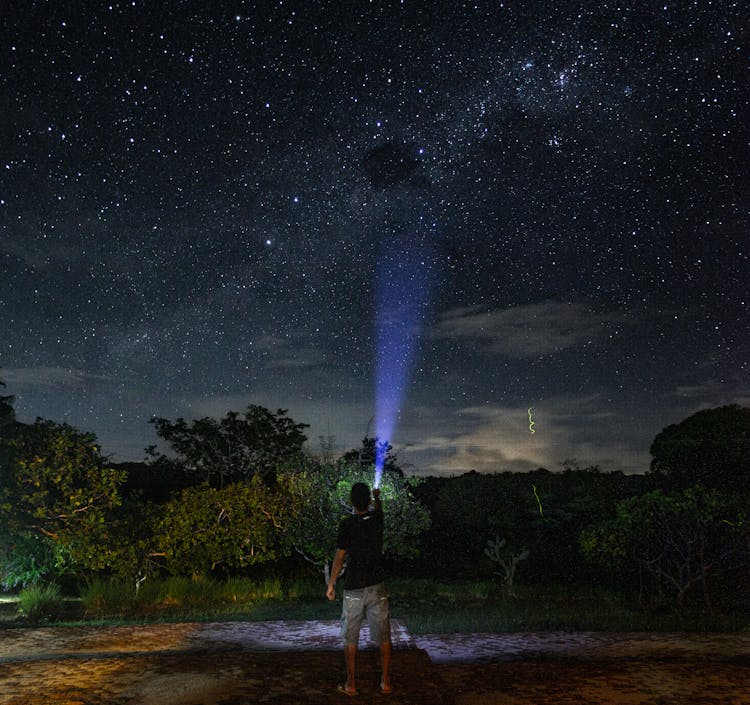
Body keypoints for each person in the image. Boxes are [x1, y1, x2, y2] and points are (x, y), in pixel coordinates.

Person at [326, 482, 392, 696]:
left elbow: (339, 557)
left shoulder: (347, 524)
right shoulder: (377, 520)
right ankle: (385, 682)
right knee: (383, 635)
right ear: (369, 502)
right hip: (377, 586)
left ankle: (351, 685)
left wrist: (331, 582)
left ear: (351, 501)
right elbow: (379, 510)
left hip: (354, 588)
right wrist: (377, 498)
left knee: (351, 636)